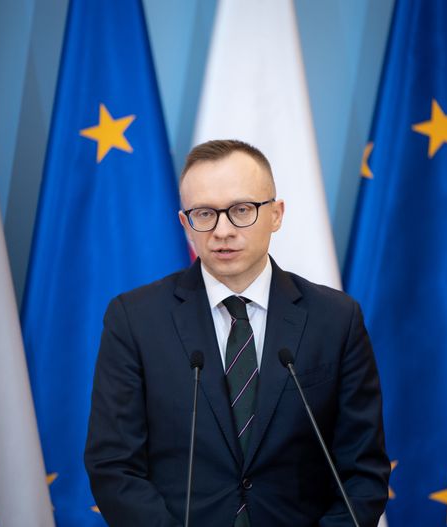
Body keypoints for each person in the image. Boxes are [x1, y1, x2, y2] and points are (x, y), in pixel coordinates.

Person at [84, 139, 390, 526]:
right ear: (185, 224)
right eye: (204, 214)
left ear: (276, 214)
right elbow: (114, 465)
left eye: (241, 210)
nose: (223, 230)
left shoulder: (336, 319)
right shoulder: (134, 319)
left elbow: (363, 473)